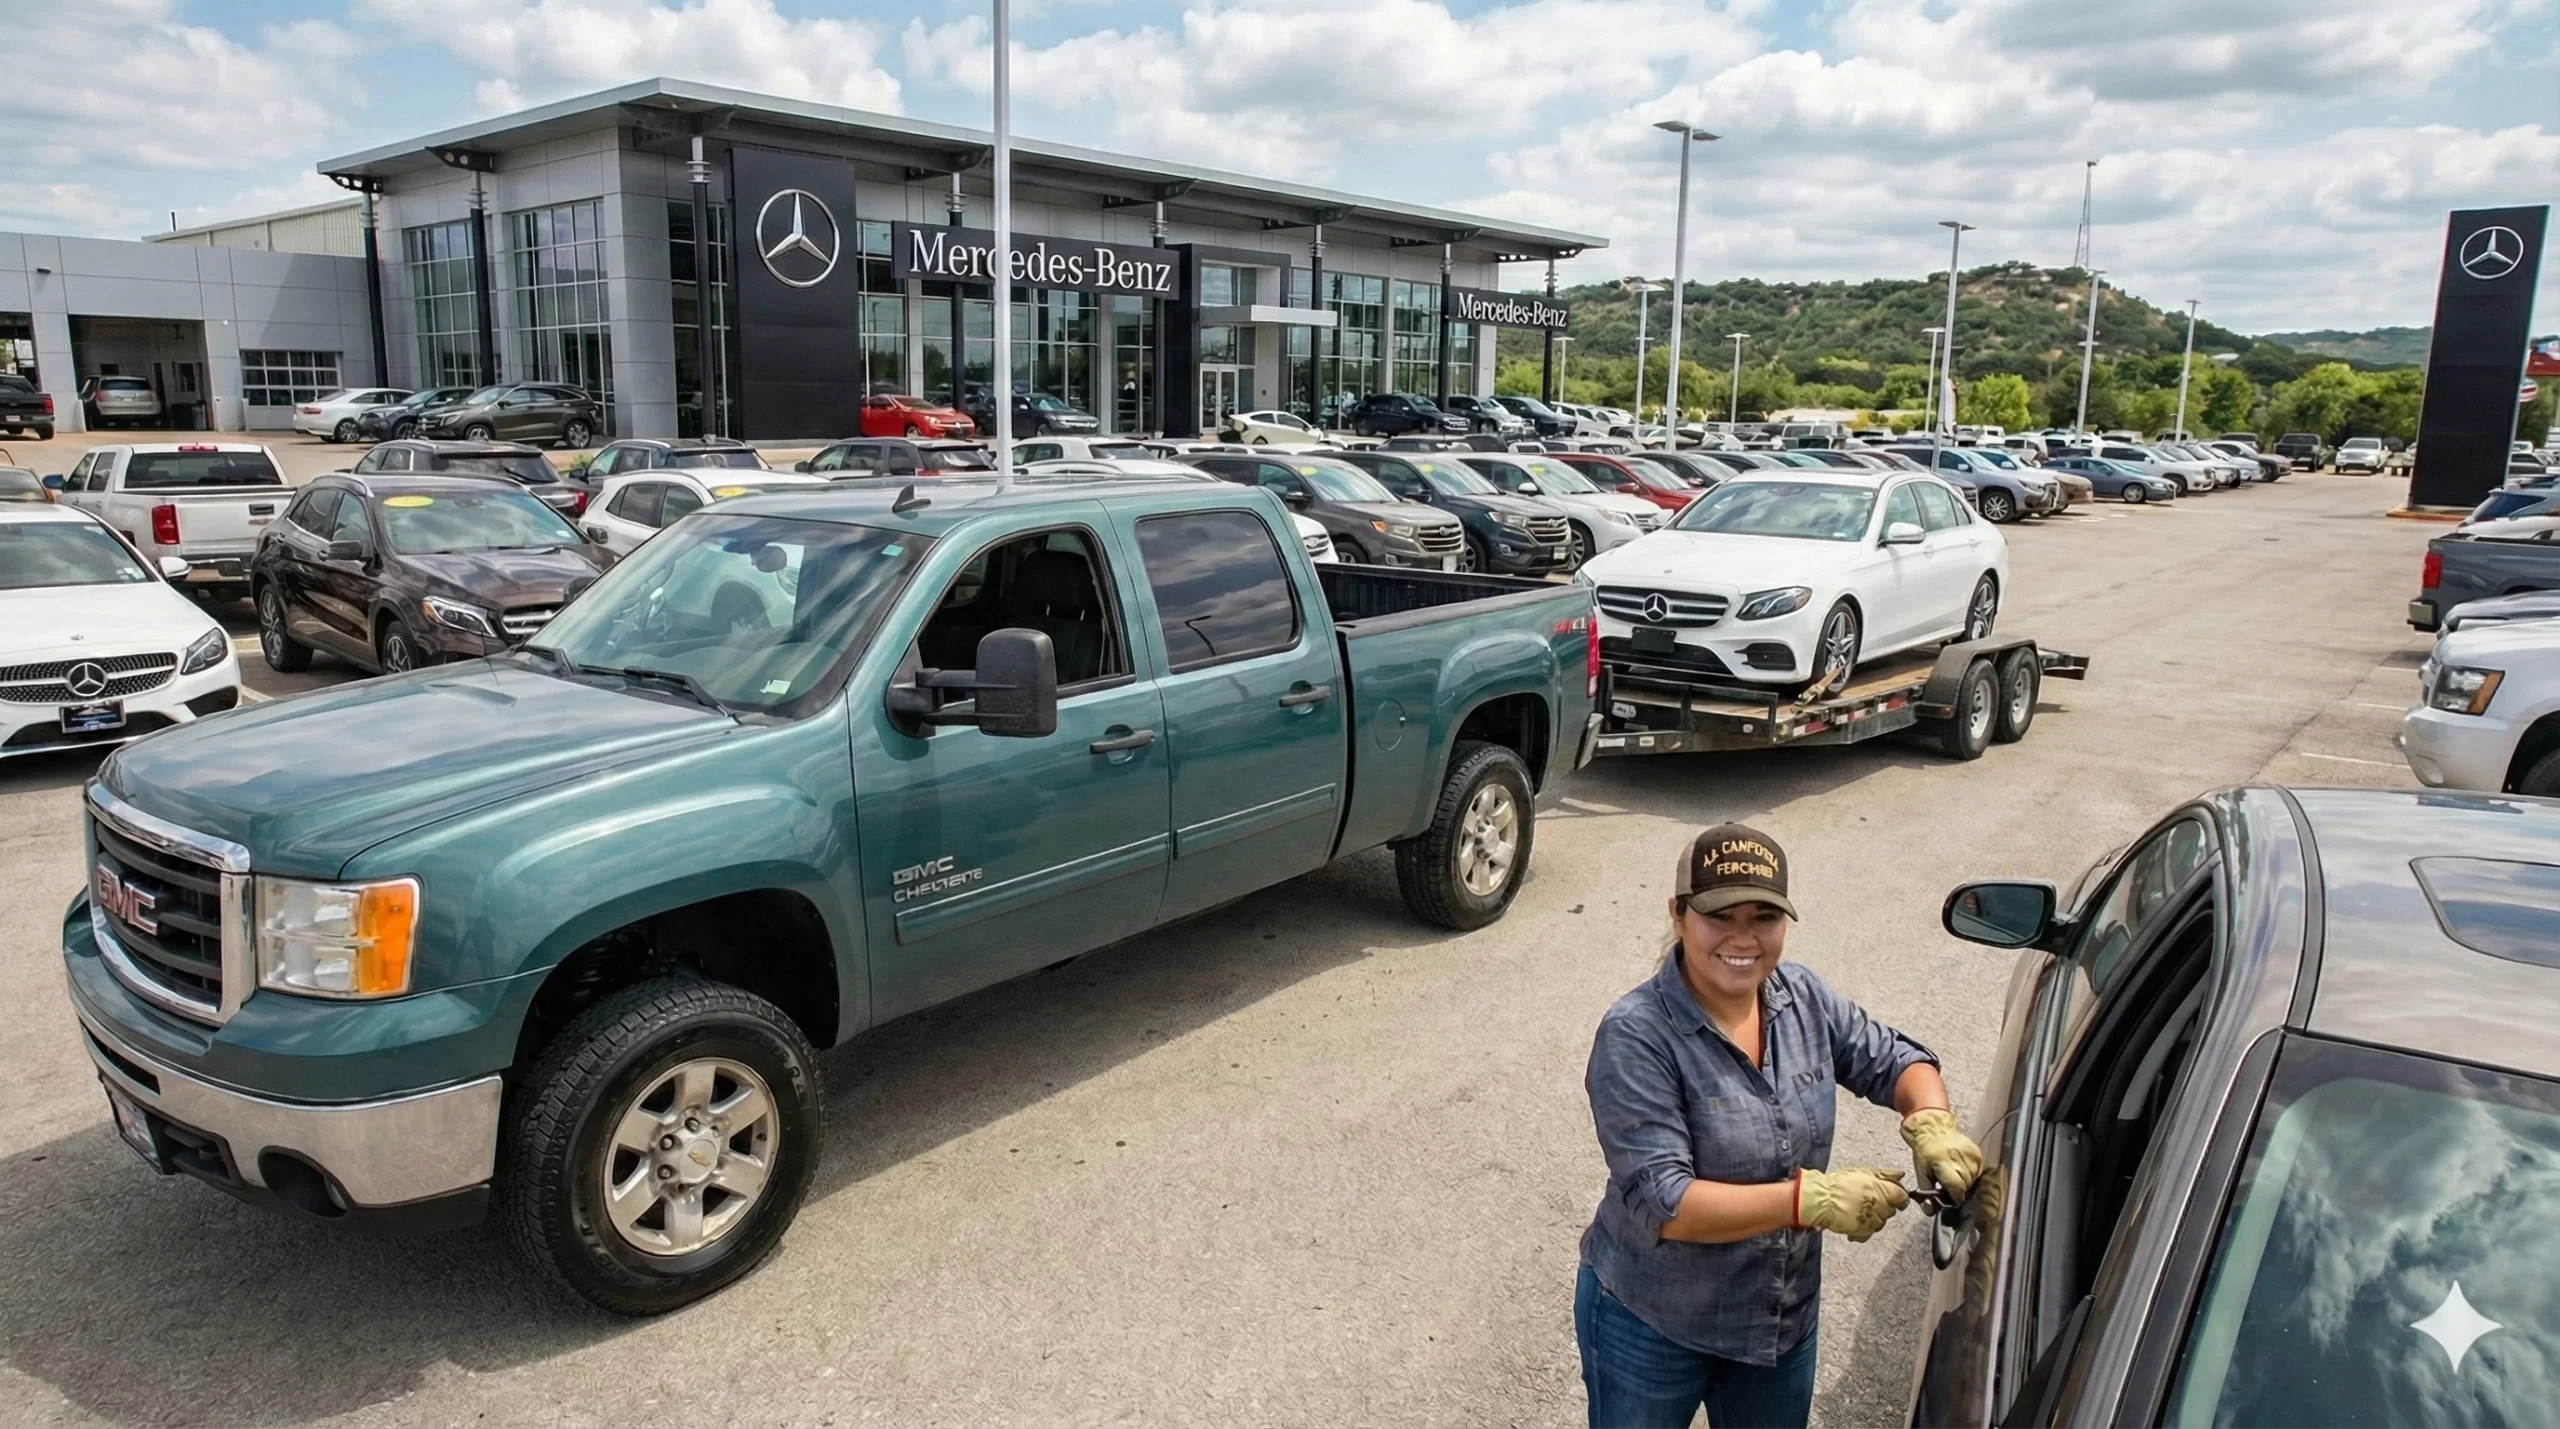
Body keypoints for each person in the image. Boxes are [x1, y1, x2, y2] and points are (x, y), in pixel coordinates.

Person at [1575, 824, 1983, 1429]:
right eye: (1720, 915)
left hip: (1777, 1325)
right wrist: (1809, 1200)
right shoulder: (1637, 1034)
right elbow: (1666, 1202)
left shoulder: (1803, 998)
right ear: (1679, 914)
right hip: (1655, 1325)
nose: (1744, 938)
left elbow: (1897, 1060)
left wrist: (1931, 1120)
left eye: (1764, 916)